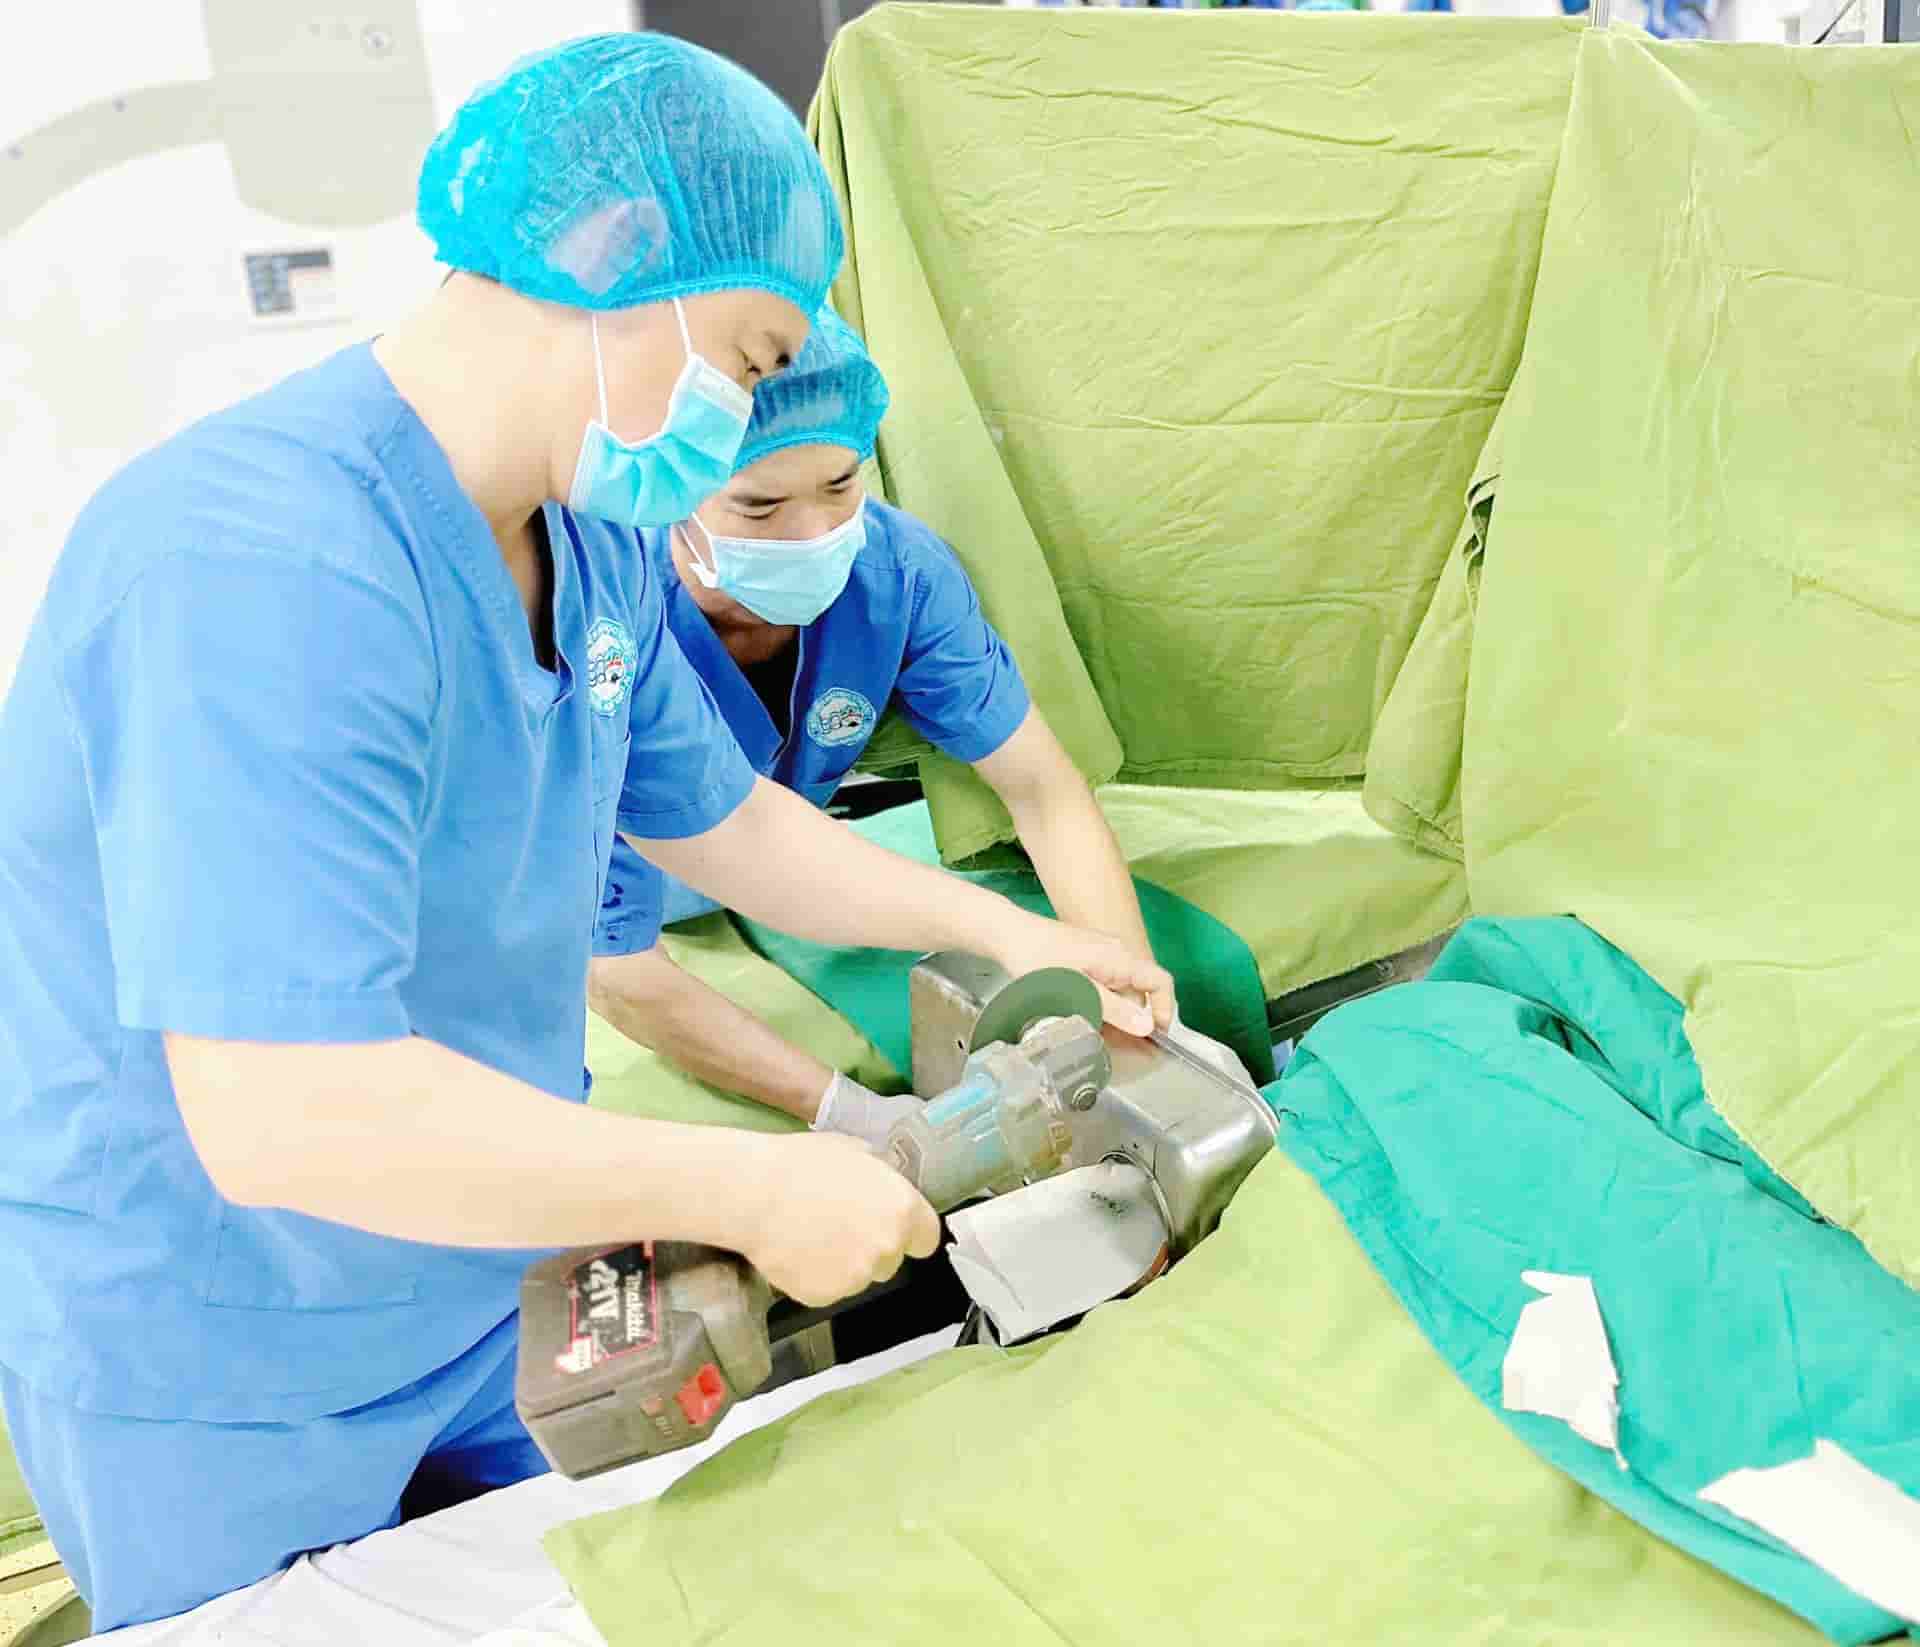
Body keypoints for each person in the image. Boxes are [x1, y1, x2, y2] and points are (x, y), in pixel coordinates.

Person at [0, 35, 1170, 1632]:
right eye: (749, 362)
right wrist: (750, 1185)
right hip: (222, 1339)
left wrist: (1023, 937)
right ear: (620, 273)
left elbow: (728, 823)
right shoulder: (258, 566)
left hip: (485, 1267)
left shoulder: (587, 536)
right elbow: (286, 1111)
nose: (748, 411)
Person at [588, 309, 1195, 1145]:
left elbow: (1042, 788)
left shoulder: (896, 576)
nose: (818, 534)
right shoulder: (605, 619)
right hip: (638, 916)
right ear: (671, 484)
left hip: (792, 868)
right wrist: (847, 1109)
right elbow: (615, 969)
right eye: (761, 506)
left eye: (841, 484)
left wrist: (1131, 1015)